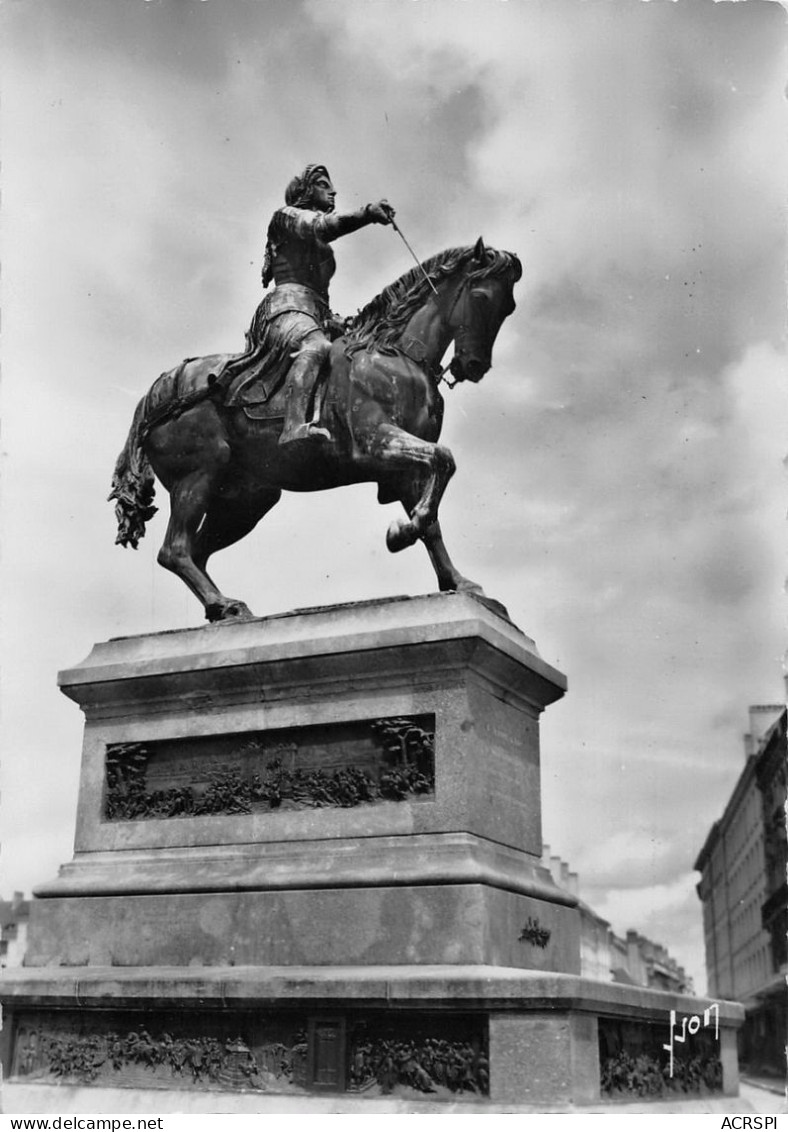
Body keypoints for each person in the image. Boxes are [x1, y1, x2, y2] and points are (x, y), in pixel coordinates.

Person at [258, 164, 394, 445]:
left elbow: (319, 294)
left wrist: (335, 321)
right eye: (322, 184)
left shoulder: (318, 243)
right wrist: (367, 213)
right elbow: (321, 226)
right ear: (305, 191)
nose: (332, 191)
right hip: (285, 309)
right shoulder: (286, 217)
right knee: (316, 347)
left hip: (314, 314)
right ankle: (293, 427)